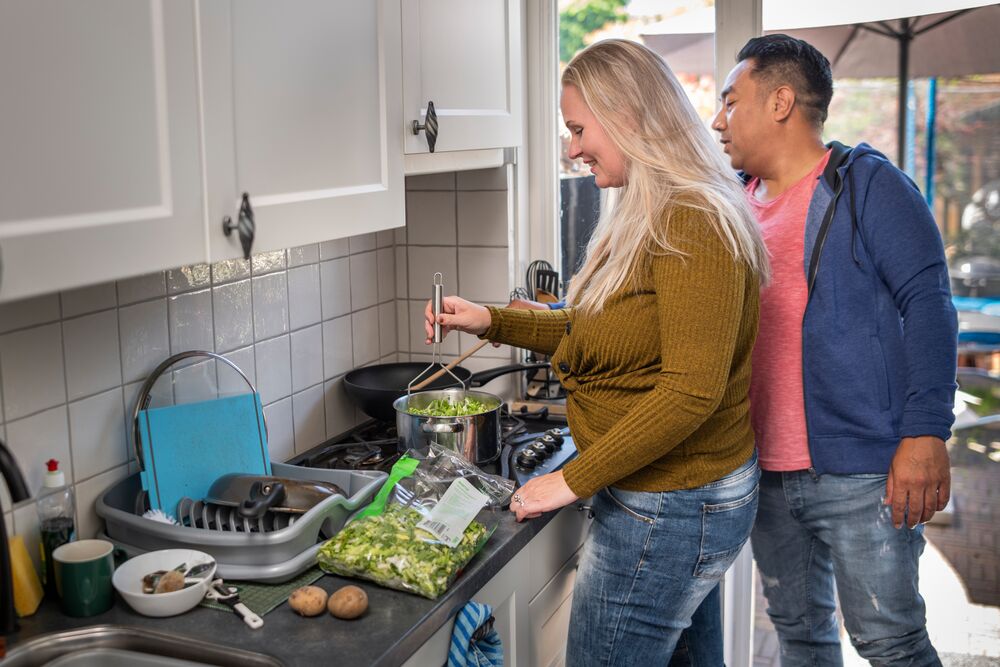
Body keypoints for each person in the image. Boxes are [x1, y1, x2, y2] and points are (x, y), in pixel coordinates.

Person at [425, 39, 770, 664]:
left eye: (580, 129)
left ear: (629, 118)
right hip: (671, 496)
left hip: (672, 501)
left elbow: (691, 392)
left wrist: (565, 482)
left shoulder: (692, 218)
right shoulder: (647, 208)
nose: (573, 147)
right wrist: (488, 320)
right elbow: (596, 329)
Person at [712, 34, 957, 665]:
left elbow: (929, 305)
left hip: (863, 473)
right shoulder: (735, 200)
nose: (718, 120)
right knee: (800, 633)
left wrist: (926, 433)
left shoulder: (871, 187)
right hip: (764, 470)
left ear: (781, 102)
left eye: (731, 100)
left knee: (891, 643)